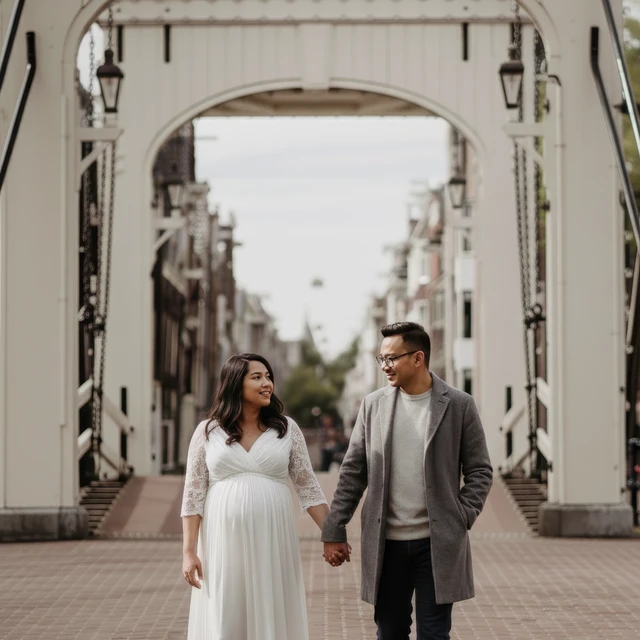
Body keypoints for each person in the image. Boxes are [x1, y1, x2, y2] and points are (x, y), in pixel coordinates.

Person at [321, 322, 493, 640]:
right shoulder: (373, 406)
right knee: (390, 633)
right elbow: (352, 473)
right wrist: (334, 527)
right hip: (386, 545)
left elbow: (480, 471)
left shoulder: (458, 405)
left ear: (418, 358)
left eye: (392, 358)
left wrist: (462, 514)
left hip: (437, 543)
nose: (385, 366)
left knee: (434, 634)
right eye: (382, 358)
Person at [180, 353, 330, 640]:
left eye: (269, 377)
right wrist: (188, 552)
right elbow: (193, 494)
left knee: (272, 604)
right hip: (222, 542)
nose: (267, 384)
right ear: (236, 384)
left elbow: (308, 487)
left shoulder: (286, 429)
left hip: (273, 539)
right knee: (227, 608)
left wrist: (333, 534)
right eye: (257, 377)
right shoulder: (207, 431)